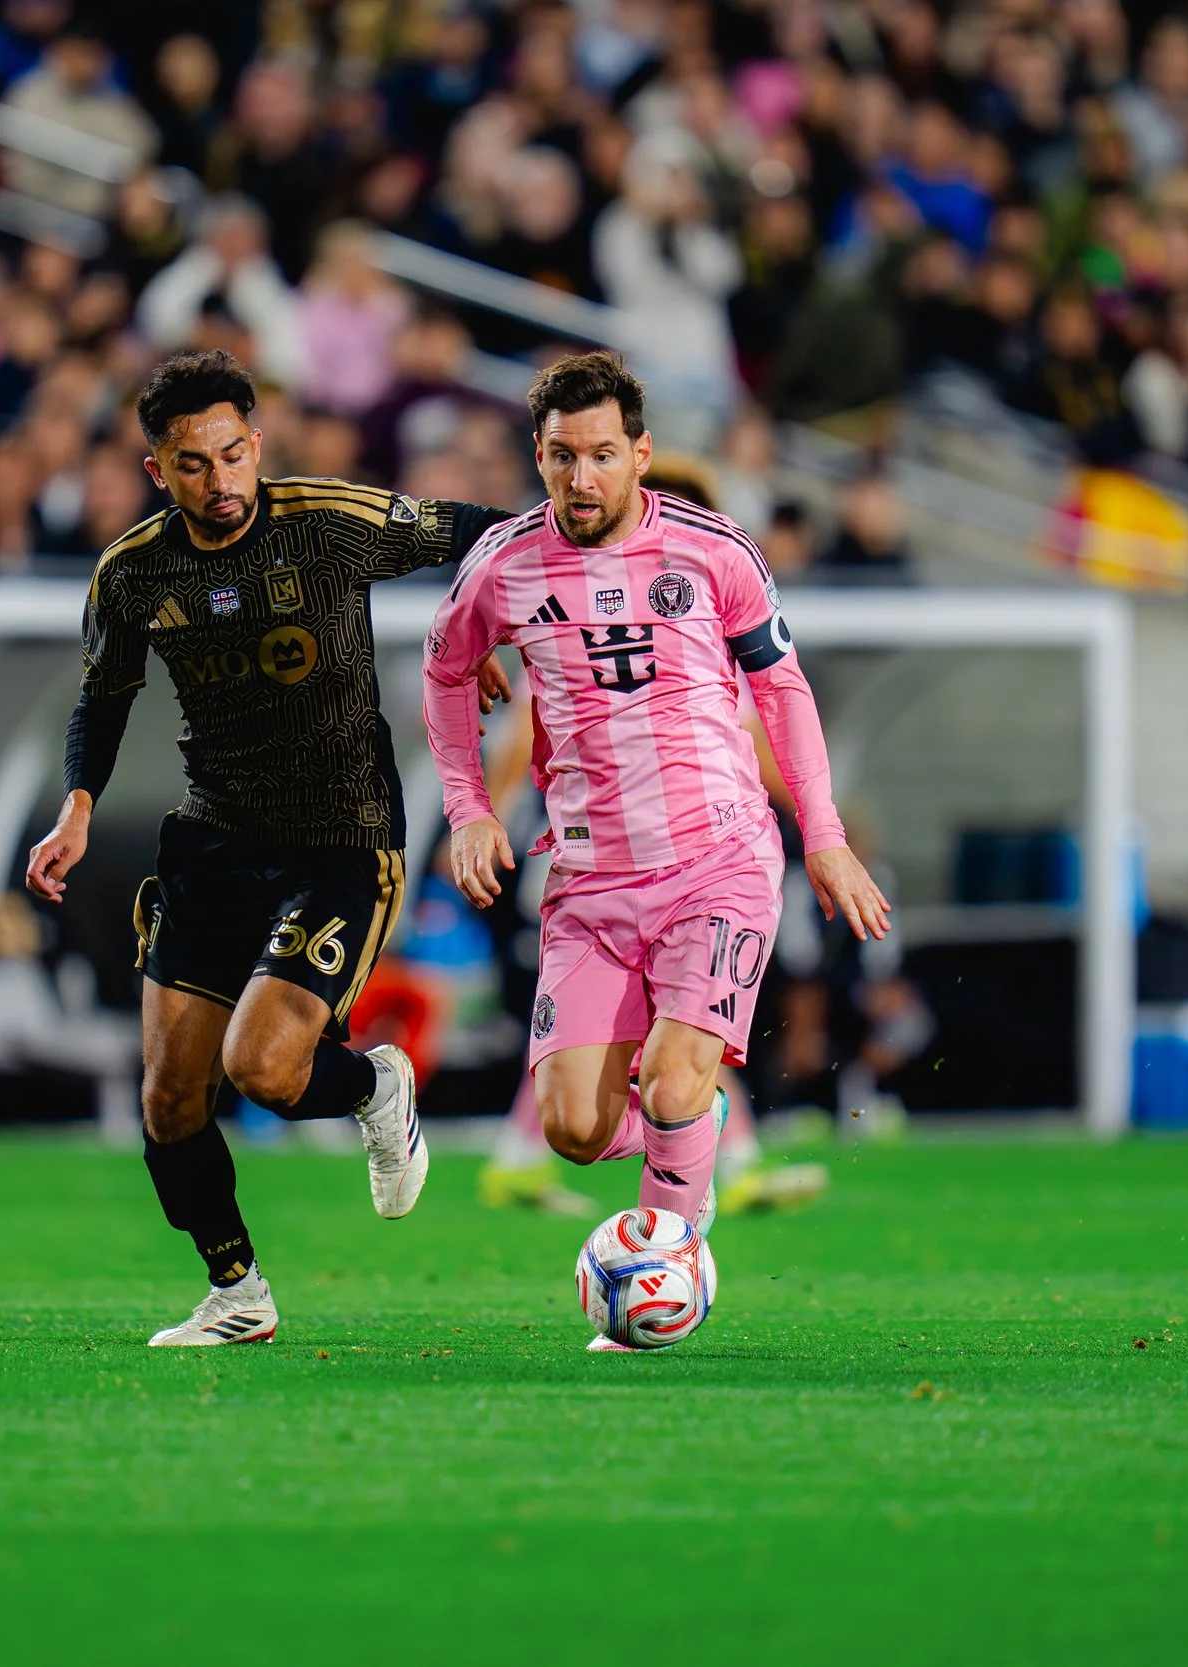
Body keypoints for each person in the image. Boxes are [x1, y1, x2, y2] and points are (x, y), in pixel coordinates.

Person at [22, 348, 512, 1347]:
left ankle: (375, 1082)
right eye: (193, 463)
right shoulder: (134, 573)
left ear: (258, 442)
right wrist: (76, 804)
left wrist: (482, 630)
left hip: (341, 838)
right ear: (159, 469)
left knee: (266, 1069)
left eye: (234, 453)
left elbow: (484, 532)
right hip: (213, 839)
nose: (221, 480)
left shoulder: (328, 521)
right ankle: (237, 1291)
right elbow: (102, 698)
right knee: (166, 1095)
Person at [421, 351, 889, 1350]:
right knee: (573, 1128)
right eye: (559, 457)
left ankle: (666, 1259)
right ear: (537, 458)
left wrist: (826, 837)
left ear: (638, 453)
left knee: (678, 1079)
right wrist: (468, 807)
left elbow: (783, 694)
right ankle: (692, 1141)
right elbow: (445, 668)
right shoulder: (504, 564)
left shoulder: (714, 551)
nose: (580, 477)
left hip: (718, 858)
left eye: (599, 454)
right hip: (588, 878)